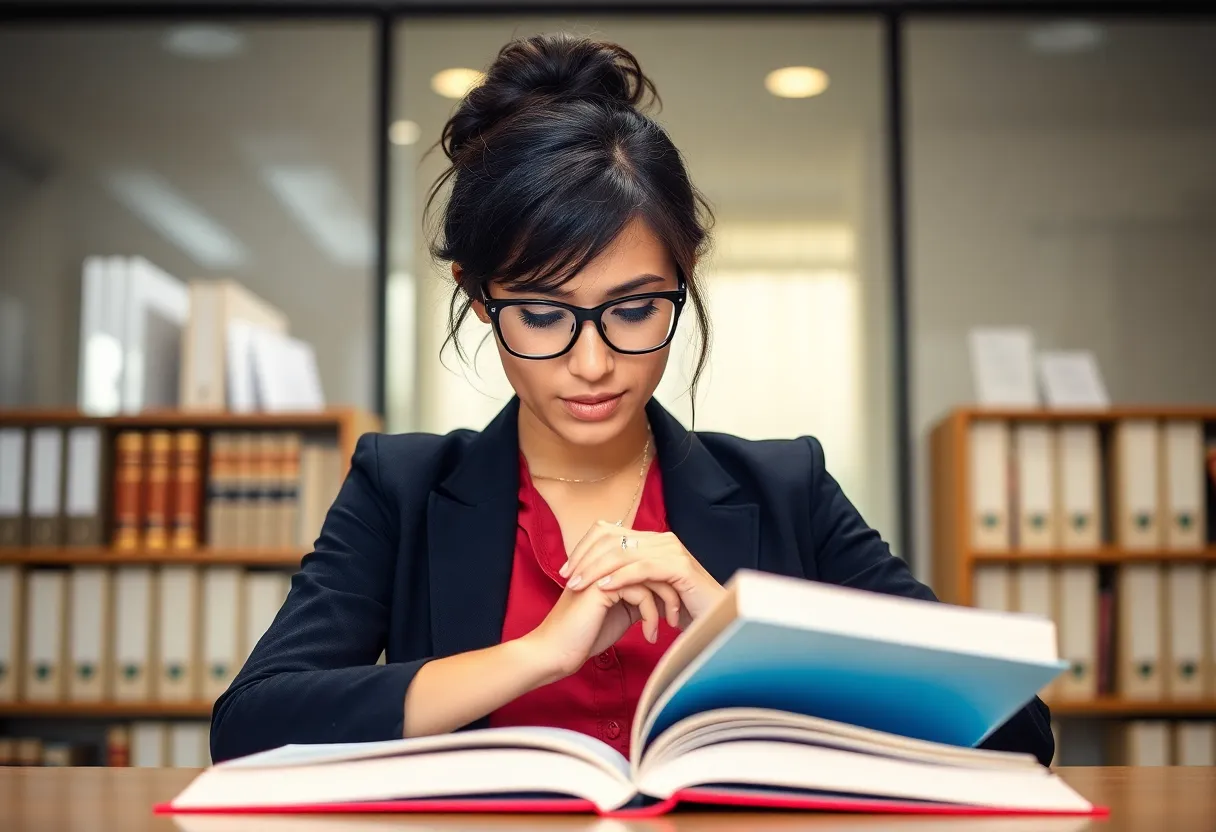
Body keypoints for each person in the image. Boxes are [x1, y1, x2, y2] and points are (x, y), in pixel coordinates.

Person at [209, 32, 1053, 767]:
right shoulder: (400, 486)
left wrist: (729, 622)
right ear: (477, 298)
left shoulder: (786, 486)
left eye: (635, 309)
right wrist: (538, 655)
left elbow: (1016, 728)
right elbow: (251, 724)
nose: (592, 362)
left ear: (682, 282)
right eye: (541, 315)